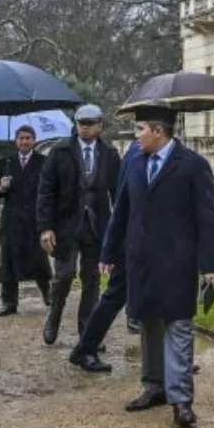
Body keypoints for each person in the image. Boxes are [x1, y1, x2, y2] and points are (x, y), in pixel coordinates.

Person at [101, 107, 214, 428]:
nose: (136, 135)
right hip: (141, 261)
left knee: (179, 328)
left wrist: (210, 264)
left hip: (178, 262)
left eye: (140, 129)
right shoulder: (134, 162)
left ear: (158, 131)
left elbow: (208, 219)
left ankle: (181, 401)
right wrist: (109, 251)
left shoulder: (194, 166)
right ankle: (153, 387)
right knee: (149, 327)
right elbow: (121, 211)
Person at [36, 104, 121, 345]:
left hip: (96, 226)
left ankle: (87, 333)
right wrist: (45, 227)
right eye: (81, 123)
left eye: (90, 123)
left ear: (100, 126)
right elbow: (45, 192)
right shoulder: (60, 151)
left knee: (92, 278)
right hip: (65, 225)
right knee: (64, 275)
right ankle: (54, 317)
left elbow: (118, 193)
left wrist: (118, 230)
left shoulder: (109, 154)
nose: (84, 128)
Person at [67, 133, 144, 373]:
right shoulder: (137, 154)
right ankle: (85, 348)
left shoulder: (141, 153)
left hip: (140, 240)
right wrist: (111, 248)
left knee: (126, 297)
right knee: (114, 296)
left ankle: (173, 357)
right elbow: (122, 203)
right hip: (133, 240)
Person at [0, 125, 51, 316]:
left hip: (35, 218)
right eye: (21, 138)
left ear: (35, 140)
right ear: (15, 140)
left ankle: (48, 294)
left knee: (39, 257)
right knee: (8, 259)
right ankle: (9, 302)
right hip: (12, 218)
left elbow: (50, 189)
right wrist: (1, 187)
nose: (25, 142)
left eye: (28, 138)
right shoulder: (6, 162)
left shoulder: (44, 161)